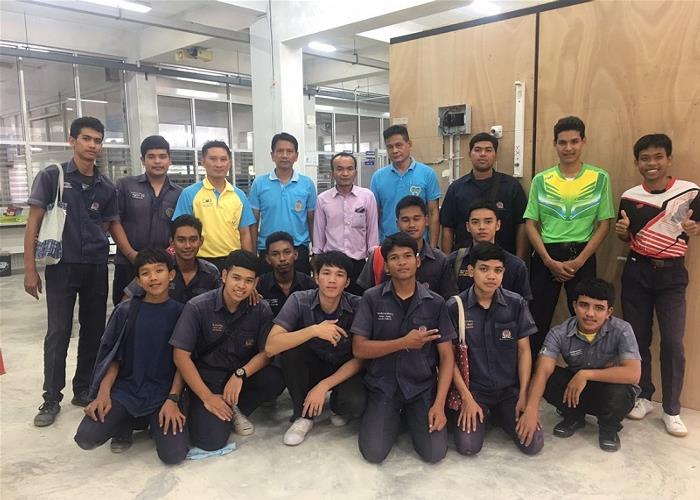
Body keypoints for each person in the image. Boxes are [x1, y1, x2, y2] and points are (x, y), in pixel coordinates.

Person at [24, 117, 119, 427]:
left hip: (95, 266)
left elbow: (107, 223)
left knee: (94, 329)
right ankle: (51, 398)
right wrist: (30, 269)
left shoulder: (106, 186)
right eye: (87, 139)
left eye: (97, 140)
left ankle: (83, 388)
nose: (92, 145)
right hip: (61, 266)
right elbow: (34, 223)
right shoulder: (53, 176)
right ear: (72, 140)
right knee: (59, 331)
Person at [615, 133, 699, 437]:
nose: (652, 163)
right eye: (645, 158)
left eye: (658, 157)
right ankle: (643, 396)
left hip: (672, 276)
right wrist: (622, 232)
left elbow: (697, 226)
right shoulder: (630, 196)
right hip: (636, 271)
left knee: (673, 342)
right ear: (637, 162)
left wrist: (695, 228)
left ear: (669, 159)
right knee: (637, 338)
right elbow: (627, 235)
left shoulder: (690, 191)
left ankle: (672, 409)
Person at [74, 249, 188, 464]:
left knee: (174, 455)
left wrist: (173, 399)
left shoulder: (182, 313)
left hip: (162, 395)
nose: (153, 278)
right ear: (138, 280)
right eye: (145, 273)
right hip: (126, 391)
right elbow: (113, 358)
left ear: (171, 275)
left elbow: (184, 362)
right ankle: (125, 420)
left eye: (159, 270)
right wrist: (103, 394)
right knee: (86, 438)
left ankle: (147, 422)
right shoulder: (125, 311)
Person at [351, 232, 456, 464]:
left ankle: (411, 417)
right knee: (374, 453)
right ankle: (390, 417)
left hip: (421, 387)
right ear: (386, 266)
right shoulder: (371, 298)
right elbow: (359, 349)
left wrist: (439, 404)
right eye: (394, 258)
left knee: (434, 453)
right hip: (383, 385)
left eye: (408, 256)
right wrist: (403, 343)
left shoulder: (436, 302)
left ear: (417, 261)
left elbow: (447, 356)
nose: (402, 262)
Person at [170, 250, 285, 451]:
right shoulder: (198, 307)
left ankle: (235, 407)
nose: (241, 286)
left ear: (256, 283)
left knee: (275, 377)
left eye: (248, 281)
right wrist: (207, 397)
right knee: (210, 442)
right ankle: (203, 405)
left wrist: (240, 374)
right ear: (224, 276)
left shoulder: (260, 309)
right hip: (207, 378)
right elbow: (181, 356)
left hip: (239, 377)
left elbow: (266, 352)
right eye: (236, 278)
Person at [524, 116, 615, 359]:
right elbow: (530, 224)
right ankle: (534, 373)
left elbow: (604, 224)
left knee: (587, 318)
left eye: (574, 141)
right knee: (538, 317)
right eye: (562, 142)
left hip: (582, 255)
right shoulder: (541, 180)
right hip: (546, 254)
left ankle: (585, 370)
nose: (568, 148)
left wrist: (579, 261)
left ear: (584, 141)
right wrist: (548, 261)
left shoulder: (599, 177)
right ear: (554, 143)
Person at [516, 278, 641, 452]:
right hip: (576, 390)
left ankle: (609, 428)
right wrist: (531, 409)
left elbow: (634, 374)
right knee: (547, 377)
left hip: (608, 390)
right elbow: (543, 371)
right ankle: (574, 417)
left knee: (621, 391)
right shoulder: (559, 333)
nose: (590, 313)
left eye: (598, 308)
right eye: (584, 305)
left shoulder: (622, 330)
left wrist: (586, 374)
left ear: (609, 312)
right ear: (574, 306)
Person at [446, 243, 542, 456]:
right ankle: (486, 415)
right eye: (484, 269)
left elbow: (524, 351)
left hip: (509, 392)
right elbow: (448, 359)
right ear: (471, 271)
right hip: (475, 392)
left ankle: (501, 415)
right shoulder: (455, 307)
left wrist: (525, 396)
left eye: (498, 270)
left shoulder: (516, 303)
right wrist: (466, 398)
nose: (491, 276)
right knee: (468, 446)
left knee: (533, 444)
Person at [265, 251, 365, 446]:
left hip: (342, 368)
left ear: (347, 282)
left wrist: (324, 386)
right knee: (290, 349)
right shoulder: (299, 300)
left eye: (339, 275)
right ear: (316, 277)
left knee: (356, 403)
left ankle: (336, 405)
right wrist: (314, 330)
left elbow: (361, 358)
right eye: (326, 273)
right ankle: (302, 416)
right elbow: (270, 347)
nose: (332, 280)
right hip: (311, 366)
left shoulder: (358, 306)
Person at [109, 135, 182, 306]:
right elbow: (114, 221)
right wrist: (131, 254)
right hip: (128, 263)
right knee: (124, 310)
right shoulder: (126, 185)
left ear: (170, 160)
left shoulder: (179, 193)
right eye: (151, 157)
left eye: (162, 156)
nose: (157, 161)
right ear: (142, 160)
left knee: (160, 311)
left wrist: (166, 258)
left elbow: (179, 231)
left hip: (162, 268)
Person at [440, 132, 529, 259]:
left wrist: (520, 261)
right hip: (465, 261)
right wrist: (447, 262)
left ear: (495, 155)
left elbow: (522, 224)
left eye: (488, 150)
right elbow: (447, 227)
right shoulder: (456, 189)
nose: (482, 154)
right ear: (469, 154)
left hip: (503, 260)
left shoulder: (511, 186)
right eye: (477, 150)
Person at [172, 140, 255, 271]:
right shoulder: (189, 193)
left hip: (232, 261)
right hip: (200, 261)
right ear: (203, 162)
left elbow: (245, 233)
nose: (218, 164)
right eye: (213, 159)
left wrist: (248, 264)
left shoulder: (239, 195)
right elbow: (180, 230)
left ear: (229, 163)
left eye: (223, 159)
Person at [357, 195, 457, 299]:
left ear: (427, 220)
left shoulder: (440, 260)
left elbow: (449, 300)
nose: (411, 225)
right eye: (405, 220)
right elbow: (364, 296)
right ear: (397, 224)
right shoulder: (379, 256)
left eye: (416, 219)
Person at [249, 133, 317, 275]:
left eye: (289, 151)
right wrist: (253, 253)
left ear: (296, 156)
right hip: (268, 251)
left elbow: (312, 220)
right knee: (267, 288)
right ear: (272, 155)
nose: (285, 155)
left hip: (298, 250)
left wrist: (316, 251)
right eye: (280, 151)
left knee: (301, 288)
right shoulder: (259, 184)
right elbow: (253, 222)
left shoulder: (307, 184)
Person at [313, 152, 379, 295]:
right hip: (332, 264)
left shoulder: (367, 197)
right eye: (340, 169)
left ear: (355, 172)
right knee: (332, 302)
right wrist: (316, 265)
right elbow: (318, 235)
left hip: (359, 265)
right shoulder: (322, 199)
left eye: (349, 169)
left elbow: (373, 232)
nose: (345, 173)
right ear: (332, 173)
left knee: (359, 303)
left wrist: (373, 263)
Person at [122, 215, 220, 303]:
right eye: (181, 240)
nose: (187, 245)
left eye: (193, 240)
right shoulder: (158, 267)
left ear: (201, 241)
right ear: (172, 242)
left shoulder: (211, 272)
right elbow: (126, 301)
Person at [370, 125, 441, 245]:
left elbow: (433, 213)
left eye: (399, 145)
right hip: (388, 244)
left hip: (420, 244)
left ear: (409, 144)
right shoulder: (378, 177)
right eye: (390, 147)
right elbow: (374, 216)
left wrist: (432, 248)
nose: (395, 151)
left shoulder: (427, 174)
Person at [447, 201, 532, 300]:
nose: (482, 227)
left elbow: (522, 305)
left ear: (498, 225)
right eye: (475, 222)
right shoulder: (453, 261)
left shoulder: (515, 266)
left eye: (488, 222)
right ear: (468, 226)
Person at [256, 232, 316, 317]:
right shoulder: (260, 286)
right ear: (268, 259)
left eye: (287, 252)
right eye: (275, 254)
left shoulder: (309, 284)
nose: (282, 258)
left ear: (295, 254)